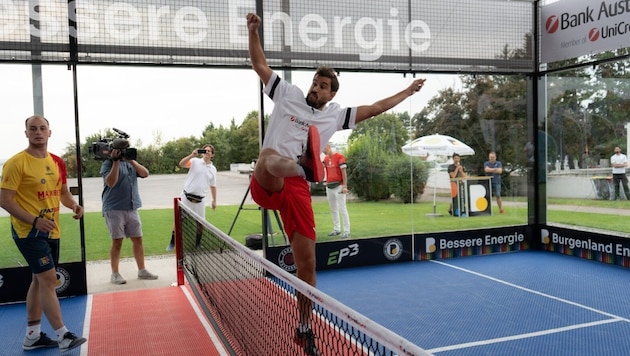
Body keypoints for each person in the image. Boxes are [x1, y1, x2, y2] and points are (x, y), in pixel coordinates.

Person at [246, 12, 426, 356]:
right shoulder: (287, 93)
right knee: (268, 156)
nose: (316, 88)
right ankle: (302, 163)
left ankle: (304, 325)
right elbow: (259, 64)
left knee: (308, 265)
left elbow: (375, 107)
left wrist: (408, 89)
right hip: (270, 178)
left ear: (331, 94)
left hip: (298, 190)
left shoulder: (335, 114)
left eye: (323, 86)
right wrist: (252, 31)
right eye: (315, 82)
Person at [0, 115, 87, 352]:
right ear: (26, 133)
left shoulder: (57, 162)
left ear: (50, 133)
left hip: (51, 230)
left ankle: (32, 336)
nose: (38, 132)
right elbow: (4, 200)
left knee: (39, 281)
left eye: (42, 128)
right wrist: (35, 221)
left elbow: (63, 193)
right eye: (33, 129)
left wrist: (74, 205)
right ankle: (63, 335)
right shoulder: (16, 163)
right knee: (49, 279)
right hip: (28, 232)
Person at [100, 139, 158, 284]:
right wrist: (115, 162)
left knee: (138, 239)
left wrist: (131, 160)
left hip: (132, 207)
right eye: (120, 150)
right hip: (114, 208)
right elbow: (111, 182)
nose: (123, 152)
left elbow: (145, 174)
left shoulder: (130, 163)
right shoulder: (108, 164)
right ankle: (115, 273)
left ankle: (142, 270)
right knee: (117, 242)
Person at [166, 144, 217, 251]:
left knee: (200, 223)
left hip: (200, 200)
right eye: (205, 150)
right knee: (178, 220)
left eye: (209, 151)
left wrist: (214, 200)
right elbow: (181, 164)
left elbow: (213, 186)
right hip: (186, 197)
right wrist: (191, 155)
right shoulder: (194, 161)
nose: (206, 152)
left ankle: (198, 244)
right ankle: (172, 242)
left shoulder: (213, 169)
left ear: (212, 155)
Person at [323, 143, 350, 238]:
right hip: (329, 186)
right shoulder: (325, 159)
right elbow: (323, 170)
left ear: (329, 146)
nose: (323, 151)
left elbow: (344, 172)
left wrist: (344, 186)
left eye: (324, 148)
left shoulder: (339, 157)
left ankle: (346, 231)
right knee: (333, 208)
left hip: (339, 185)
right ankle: (337, 229)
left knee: (342, 208)